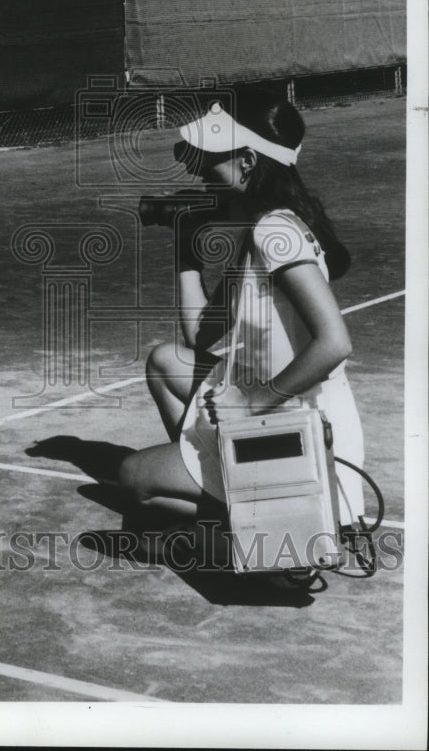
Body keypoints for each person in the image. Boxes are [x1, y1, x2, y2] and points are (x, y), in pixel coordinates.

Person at [119, 88, 366, 563]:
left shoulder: (274, 231)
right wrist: (186, 247)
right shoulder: (264, 225)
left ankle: (262, 528)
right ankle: (239, 503)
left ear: (247, 162)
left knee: (133, 480)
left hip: (293, 423)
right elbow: (199, 337)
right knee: (165, 361)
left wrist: (249, 401)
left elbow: (335, 343)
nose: (195, 168)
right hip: (282, 409)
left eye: (209, 157)